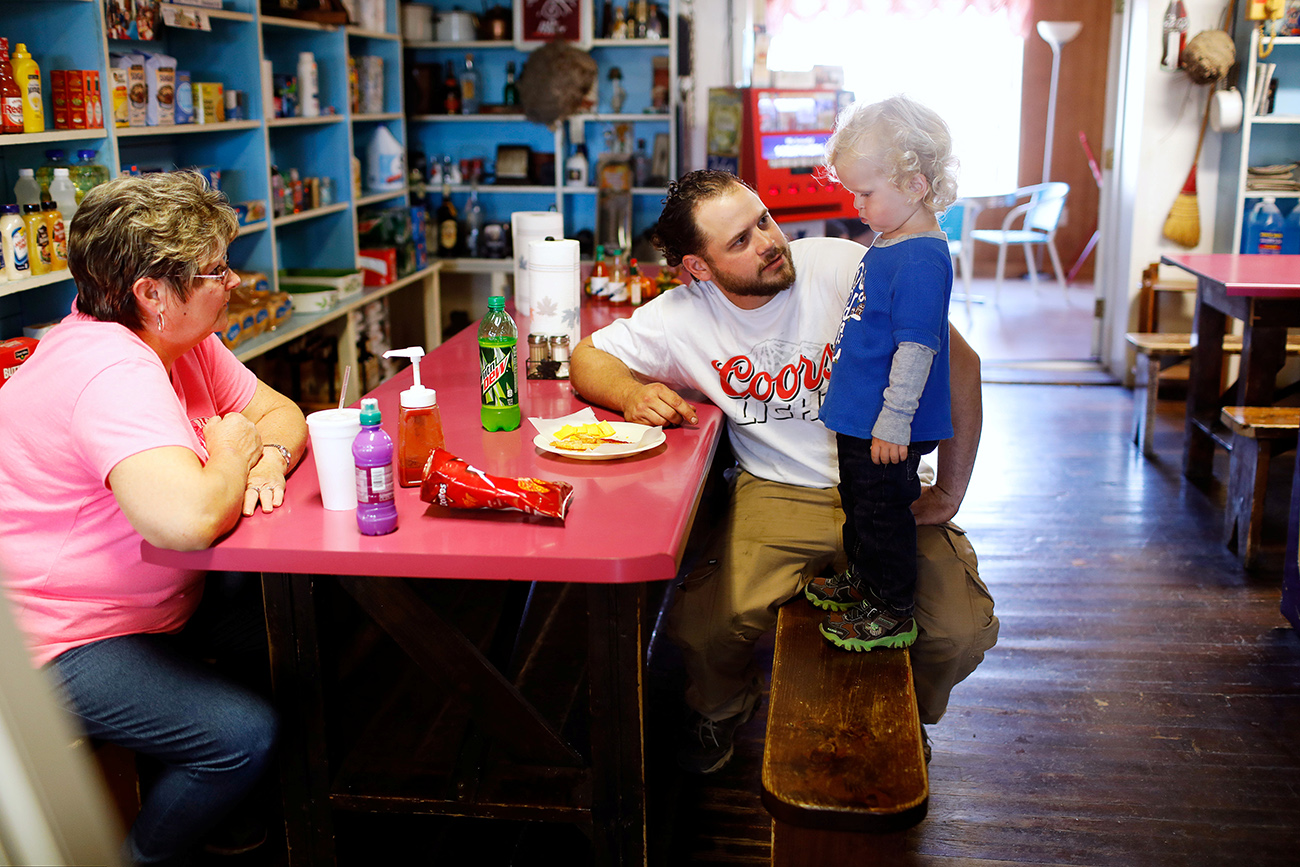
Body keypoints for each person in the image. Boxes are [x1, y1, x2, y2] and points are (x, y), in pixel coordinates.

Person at [570, 169, 998, 774]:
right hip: (776, 490)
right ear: (698, 267)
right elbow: (588, 356)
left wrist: (952, 489)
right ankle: (722, 709)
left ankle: (904, 716)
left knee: (958, 632)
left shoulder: (848, 266)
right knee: (707, 629)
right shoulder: (680, 315)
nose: (769, 241)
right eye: (739, 241)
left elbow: (961, 365)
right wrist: (632, 394)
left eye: (763, 220)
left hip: (882, 483)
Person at [0, 171, 307, 865]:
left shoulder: (177, 337)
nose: (233, 280)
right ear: (151, 293)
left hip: (149, 598)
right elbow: (189, 521)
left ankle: (240, 812)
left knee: (290, 616)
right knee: (240, 734)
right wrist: (232, 452)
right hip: (56, 636)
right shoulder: (111, 370)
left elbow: (279, 412)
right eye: (215, 270)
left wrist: (269, 458)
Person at [812, 96, 960, 653]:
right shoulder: (891, 239)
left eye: (867, 192)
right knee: (860, 505)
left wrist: (894, 424)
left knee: (881, 514)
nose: (857, 204)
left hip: (886, 425)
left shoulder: (921, 257)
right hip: (865, 416)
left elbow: (917, 348)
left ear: (916, 185)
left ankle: (892, 608)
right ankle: (866, 580)